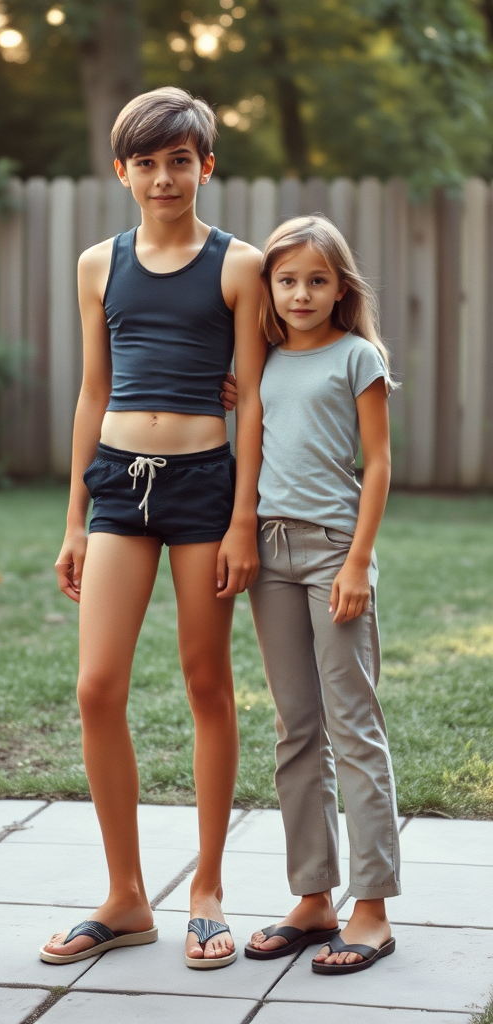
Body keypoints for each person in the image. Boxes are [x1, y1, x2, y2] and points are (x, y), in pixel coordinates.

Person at [39, 87, 264, 970]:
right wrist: (73, 520)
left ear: (206, 166)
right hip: (117, 491)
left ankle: (205, 887)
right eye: (146, 161)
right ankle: (127, 898)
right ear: (120, 167)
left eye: (180, 160)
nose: (163, 176)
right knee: (98, 687)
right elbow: (93, 391)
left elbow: (252, 403)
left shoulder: (239, 265)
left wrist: (242, 516)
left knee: (207, 683)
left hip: (207, 487)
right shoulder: (99, 262)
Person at [244, 215, 401, 975]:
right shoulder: (264, 361)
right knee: (295, 729)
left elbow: (377, 464)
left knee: (353, 726)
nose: (301, 293)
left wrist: (359, 562)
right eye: (287, 279)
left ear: (342, 287)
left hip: (335, 552)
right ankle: (313, 898)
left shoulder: (357, 357)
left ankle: (371, 907)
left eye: (317, 279)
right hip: (269, 553)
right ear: (269, 288)